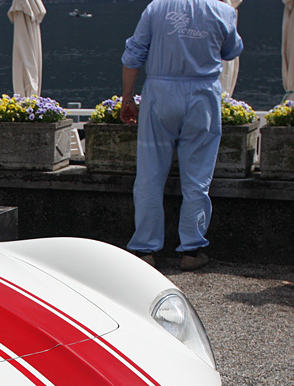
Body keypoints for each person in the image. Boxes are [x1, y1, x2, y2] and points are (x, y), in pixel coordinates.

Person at [119, 0, 243, 272]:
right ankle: (191, 249)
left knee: (150, 175)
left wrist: (128, 97)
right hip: (202, 95)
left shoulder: (156, 8)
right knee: (197, 177)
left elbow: (134, 53)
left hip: (160, 93)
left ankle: (144, 249)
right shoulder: (224, 10)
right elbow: (233, 50)